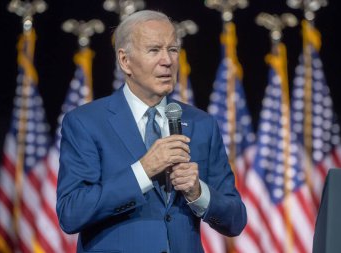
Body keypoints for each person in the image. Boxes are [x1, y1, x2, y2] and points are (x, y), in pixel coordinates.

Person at [56, 10, 247, 253]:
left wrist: (199, 193)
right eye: (154, 50)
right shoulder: (86, 123)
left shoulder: (202, 124)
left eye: (173, 49)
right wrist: (143, 171)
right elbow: (71, 213)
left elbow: (236, 219)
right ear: (125, 61)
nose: (167, 60)